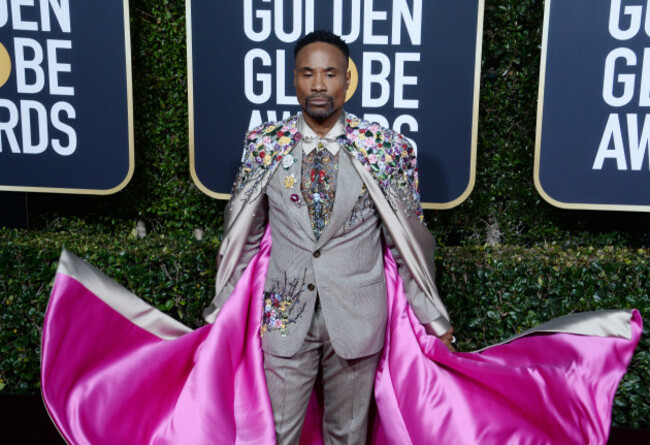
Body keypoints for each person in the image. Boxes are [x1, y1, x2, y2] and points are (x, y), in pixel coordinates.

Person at [201, 30, 454, 443]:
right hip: (284, 317)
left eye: (330, 74)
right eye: (308, 74)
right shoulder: (264, 144)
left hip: (358, 318)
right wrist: (221, 310)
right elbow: (243, 237)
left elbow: (406, 242)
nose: (319, 85)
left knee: (347, 436)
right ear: (294, 79)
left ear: (347, 80)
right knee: (275, 433)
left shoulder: (383, 148)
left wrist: (433, 316)